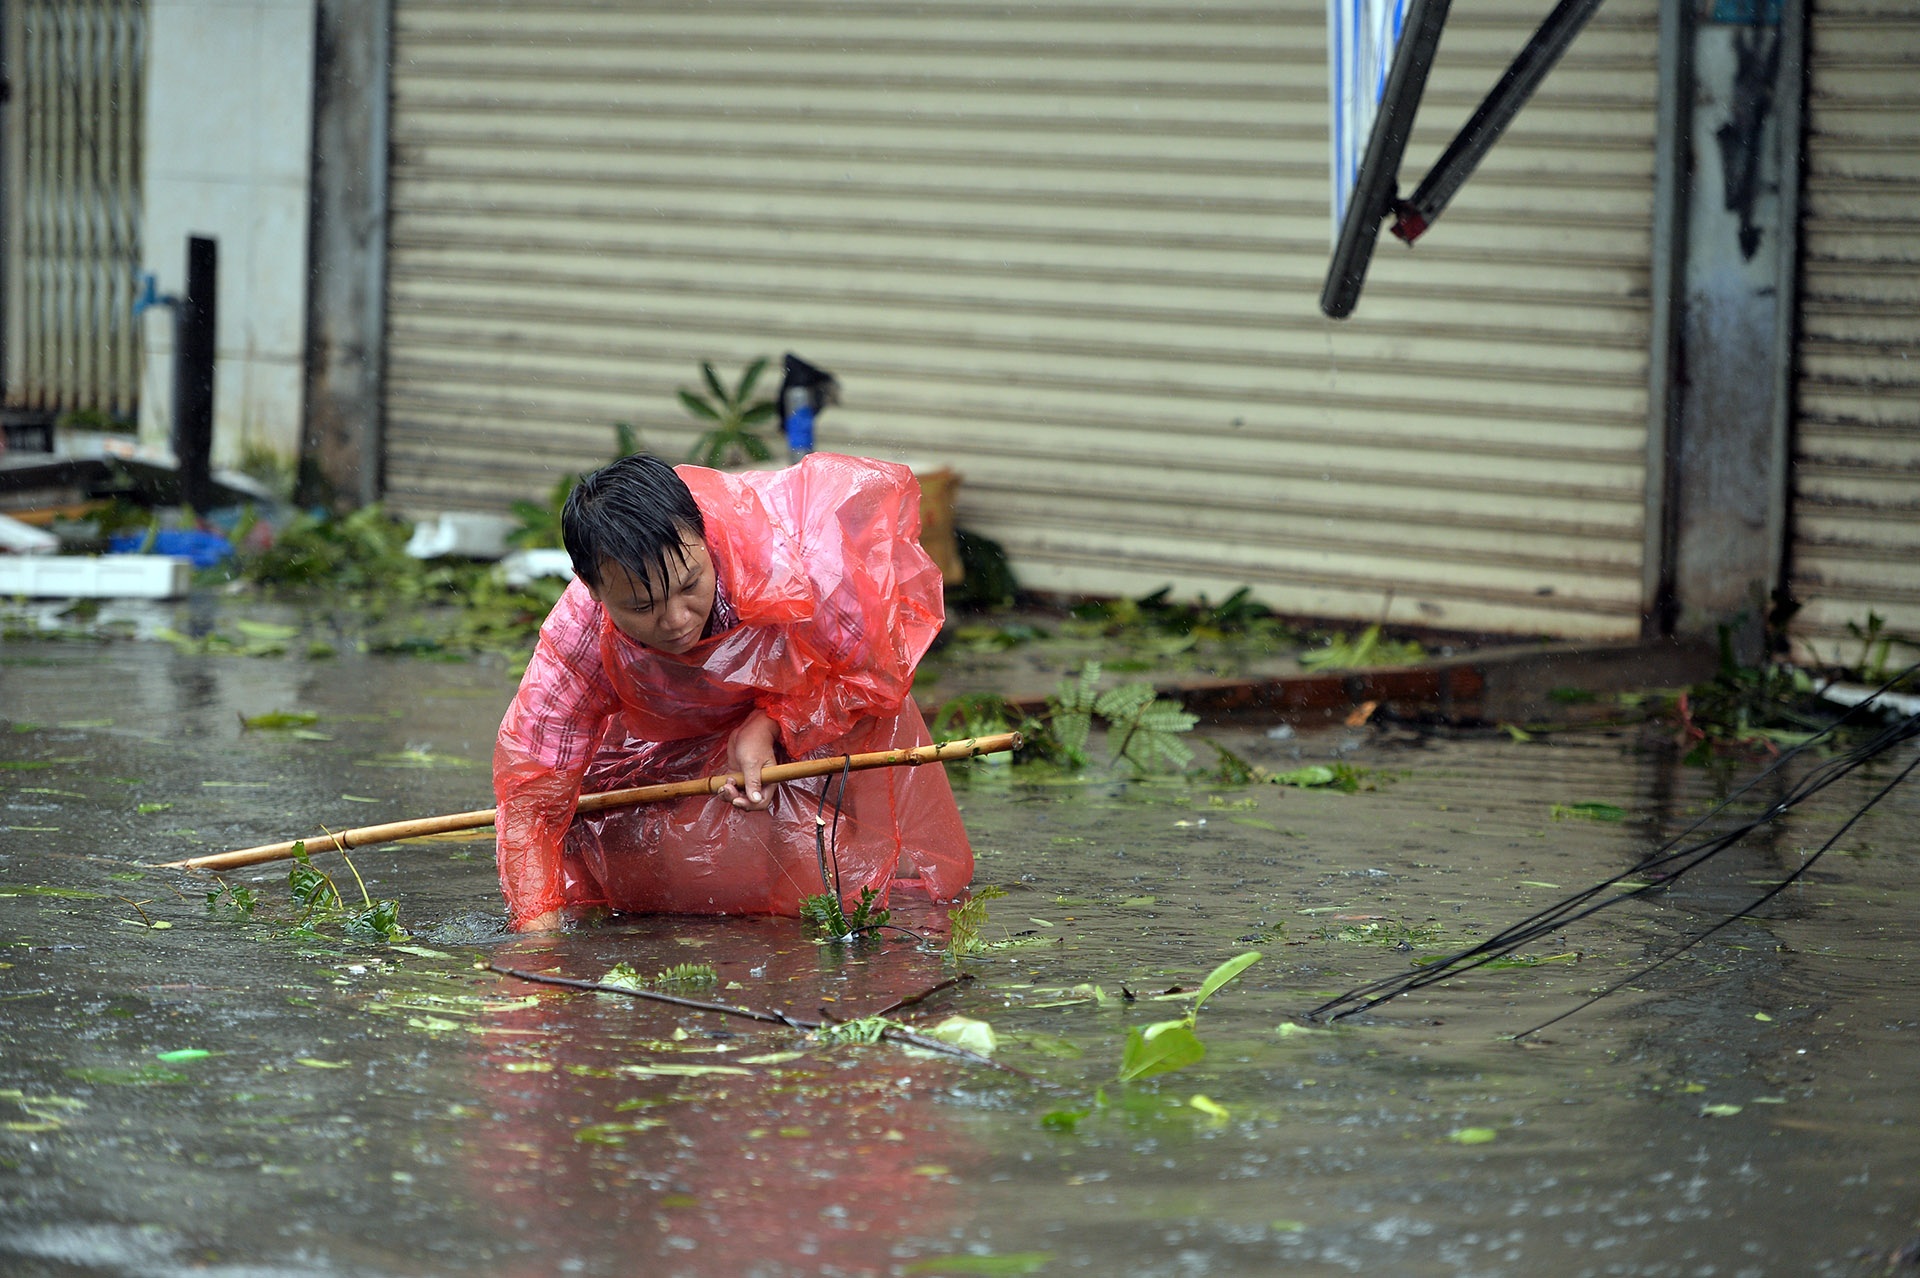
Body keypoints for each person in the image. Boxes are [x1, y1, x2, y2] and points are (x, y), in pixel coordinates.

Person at [492, 451, 973, 932]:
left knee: (865, 855)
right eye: (643, 606)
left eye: (689, 585)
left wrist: (770, 724)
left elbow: (875, 672)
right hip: (679, 745)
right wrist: (539, 933)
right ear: (591, 587)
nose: (677, 620)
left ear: (703, 536)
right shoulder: (580, 638)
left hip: (813, 716)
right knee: (591, 828)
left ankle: (891, 876)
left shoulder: (797, 558)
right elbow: (532, 789)